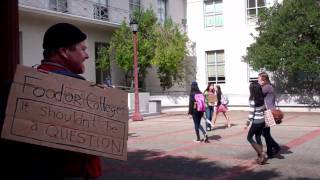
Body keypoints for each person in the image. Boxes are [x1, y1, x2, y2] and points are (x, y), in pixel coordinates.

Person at [1, 23, 102, 179]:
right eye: (82, 49)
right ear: (64, 51)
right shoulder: (80, 90)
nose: (87, 55)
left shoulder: (16, 86)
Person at [258, 72, 281, 158]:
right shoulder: (269, 86)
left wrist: (258, 86)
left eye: (259, 79)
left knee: (265, 133)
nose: (258, 80)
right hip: (270, 111)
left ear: (263, 80)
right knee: (265, 133)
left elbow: (257, 95)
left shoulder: (266, 87)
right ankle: (274, 147)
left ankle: (272, 150)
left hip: (268, 112)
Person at [245, 82, 267, 164]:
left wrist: (246, 124)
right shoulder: (262, 99)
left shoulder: (252, 100)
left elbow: (251, 114)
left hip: (256, 122)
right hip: (262, 121)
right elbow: (264, 109)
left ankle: (262, 153)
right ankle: (260, 158)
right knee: (258, 137)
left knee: (249, 138)